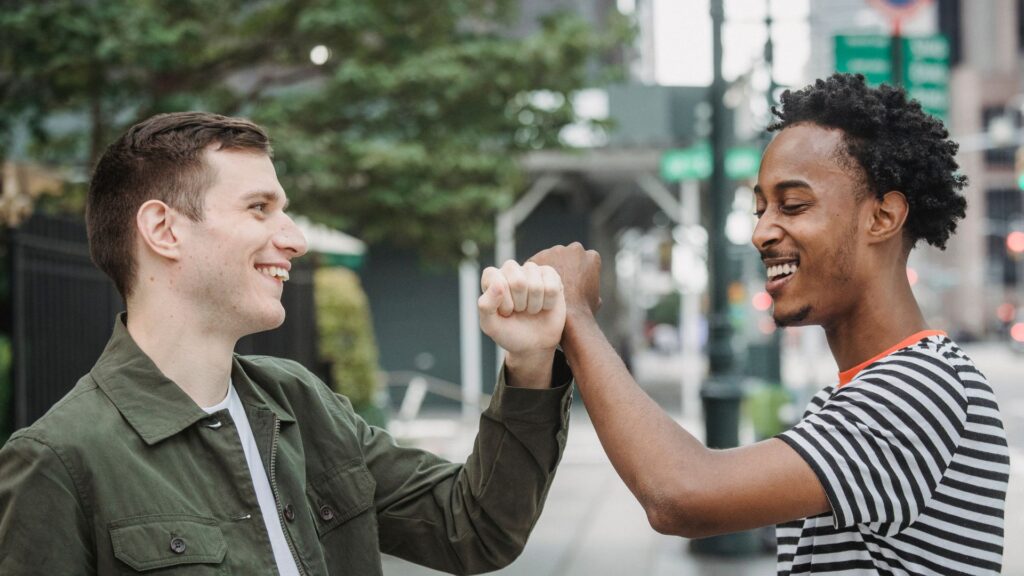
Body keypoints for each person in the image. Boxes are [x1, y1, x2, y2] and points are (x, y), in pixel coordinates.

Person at [0, 112, 573, 575]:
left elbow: (473, 530)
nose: (294, 239)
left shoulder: (299, 403)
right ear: (164, 230)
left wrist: (528, 363)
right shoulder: (58, 464)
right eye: (259, 208)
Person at [531, 74, 1010, 575]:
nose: (761, 232)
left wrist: (578, 318)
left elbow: (681, 494)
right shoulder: (864, 392)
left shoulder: (921, 387)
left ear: (882, 217)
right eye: (760, 209)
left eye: (793, 205)